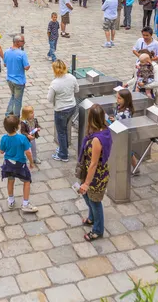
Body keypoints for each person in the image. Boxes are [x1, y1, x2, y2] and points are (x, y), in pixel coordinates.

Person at [78, 104, 112, 242]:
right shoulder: (104, 130)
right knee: (87, 197)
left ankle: (98, 230)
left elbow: (94, 163)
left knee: (95, 201)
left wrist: (86, 183)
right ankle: (91, 218)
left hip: (96, 176)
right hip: (90, 172)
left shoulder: (97, 139)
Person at [0, 115, 38, 213]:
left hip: (8, 164)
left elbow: (1, 151)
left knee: (10, 180)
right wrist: (31, 162)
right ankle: (25, 204)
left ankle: (11, 200)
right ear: (17, 127)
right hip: (20, 164)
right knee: (27, 181)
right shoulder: (22, 138)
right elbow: (28, 152)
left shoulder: (4, 138)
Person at [47, 59, 79, 162]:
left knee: (61, 132)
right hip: (72, 107)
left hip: (61, 109)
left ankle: (63, 155)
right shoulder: (72, 77)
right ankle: (63, 147)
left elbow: (49, 99)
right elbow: (77, 90)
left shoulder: (55, 83)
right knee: (65, 129)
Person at [4, 34, 30, 116]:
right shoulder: (22, 54)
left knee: (13, 96)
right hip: (19, 81)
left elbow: (5, 64)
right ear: (18, 42)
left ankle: (8, 114)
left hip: (9, 79)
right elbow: (26, 67)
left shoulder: (7, 52)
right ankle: (16, 118)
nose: (24, 43)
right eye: (23, 41)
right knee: (18, 100)